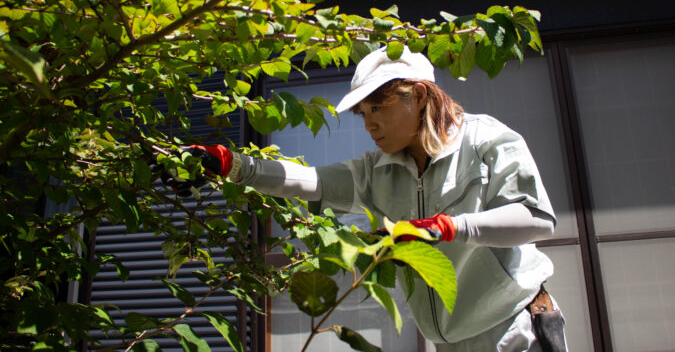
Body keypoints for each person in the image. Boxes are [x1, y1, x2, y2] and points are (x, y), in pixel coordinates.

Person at [172, 47, 567, 351]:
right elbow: (312, 181)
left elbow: (536, 219)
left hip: (512, 328)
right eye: (362, 113)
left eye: (378, 107)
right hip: (448, 342)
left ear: (419, 96)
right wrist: (232, 166)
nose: (369, 123)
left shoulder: (485, 140)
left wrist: (448, 228)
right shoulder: (376, 170)